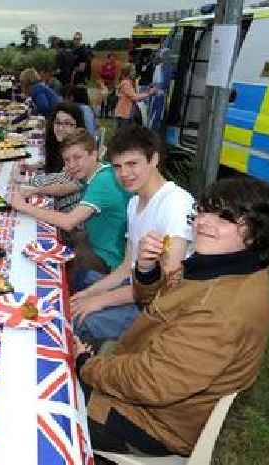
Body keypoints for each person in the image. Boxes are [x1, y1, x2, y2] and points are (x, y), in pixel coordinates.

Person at [76, 177, 269, 458]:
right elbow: (161, 301)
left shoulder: (221, 311)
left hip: (154, 424)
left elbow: (151, 383)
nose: (203, 223)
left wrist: (85, 365)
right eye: (202, 211)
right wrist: (148, 269)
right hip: (149, 388)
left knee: (45, 404)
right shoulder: (227, 266)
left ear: (257, 231)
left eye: (225, 218)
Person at [70, 125, 195, 343]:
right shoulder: (135, 201)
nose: (124, 174)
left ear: (154, 159)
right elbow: (128, 266)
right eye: (117, 166)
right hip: (136, 286)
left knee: (79, 320)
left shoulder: (176, 204)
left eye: (132, 164)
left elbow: (167, 283)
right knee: (79, 282)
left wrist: (101, 300)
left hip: (159, 307)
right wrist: (91, 294)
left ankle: (91, 369)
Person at [12, 129, 130, 290]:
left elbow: (68, 222)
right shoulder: (99, 170)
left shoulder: (103, 182)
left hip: (106, 258)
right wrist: (35, 190)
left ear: (94, 154)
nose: (72, 165)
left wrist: (23, 206)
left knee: (39, 263)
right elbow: (68, 187)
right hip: (95, 241)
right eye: (67, 160)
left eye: (77, 157)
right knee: (44, 241)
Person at [28, 101, 86, 212]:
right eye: (58, 123)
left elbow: (68, 185)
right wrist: (35, 167)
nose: (60, 128)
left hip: (72, 217)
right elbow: (55, 172)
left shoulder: (80, 152)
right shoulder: (59, 146)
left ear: (78, 126)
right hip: (57, 207)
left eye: (68, 124)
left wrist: (33, 187)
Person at [114, 64, 155, 129]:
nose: (135, 72)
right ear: (128, 72)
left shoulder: (128, 83)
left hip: (124, 114)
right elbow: (134, 97)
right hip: (123, 115)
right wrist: (148, 93)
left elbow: (135, 95)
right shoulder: (126, 84)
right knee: (123, 135)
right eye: (133, 70)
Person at [70, 31, 93, 105]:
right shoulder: (73, 50)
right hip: (74, 78)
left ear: (81, 39)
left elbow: (82, 68)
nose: (76, 41)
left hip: (81, 78)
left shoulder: (83, 51)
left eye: (78, 39)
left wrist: (73, 71)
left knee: (82, 99)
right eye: (75, 39)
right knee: (75, 98)